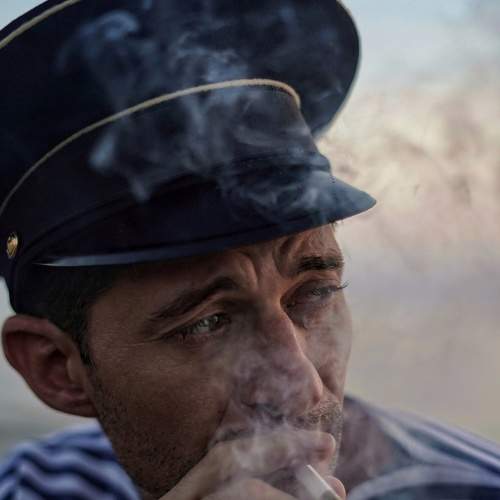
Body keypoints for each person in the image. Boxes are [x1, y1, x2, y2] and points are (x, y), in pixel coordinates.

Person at [1, 1, 499, 499]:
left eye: (315, 293)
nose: (301, 386)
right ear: (56, 368)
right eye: (207, 323)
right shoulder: (35, 487)